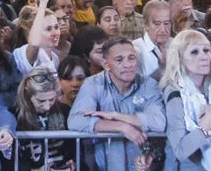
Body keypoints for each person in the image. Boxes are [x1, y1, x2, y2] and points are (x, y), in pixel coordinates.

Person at [67, 36, 166, 171]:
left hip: (142, 165)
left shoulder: (149, 85)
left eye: (131, 58)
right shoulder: (93, 84)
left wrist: (115, 115)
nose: (128, 64)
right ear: (106, 64)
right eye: (119, 60)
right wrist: (121, 127)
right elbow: (76, 120)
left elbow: (159, 122)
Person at [159, 30, 211, 171]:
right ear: (180, 58)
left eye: (206, 50)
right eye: (194, 52)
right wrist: (207, 125)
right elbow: (180, 150)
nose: (203, 56)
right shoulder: (175, 92)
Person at [15, 67, 73, 171]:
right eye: (41, 101)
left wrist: (73, 162)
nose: (47, 106)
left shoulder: (65, 111)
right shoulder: (15, 117)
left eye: (51, 99)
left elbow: (75, 149)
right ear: (28, 94)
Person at [132, 0, 172, 78]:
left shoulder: (176, 44)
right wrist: (162, 69)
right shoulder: (135, 49)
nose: (163, 30)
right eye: (157, 24)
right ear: (145, 25)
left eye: (166, 23)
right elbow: (137, 83)